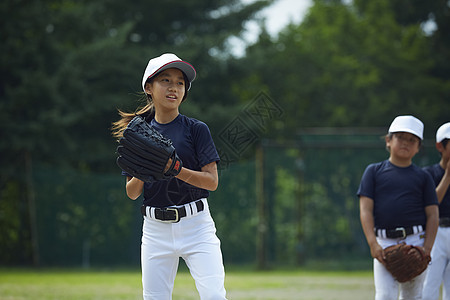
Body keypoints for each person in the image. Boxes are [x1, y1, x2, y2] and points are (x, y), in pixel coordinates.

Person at [112, 53, 227, 300]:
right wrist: (145, 167)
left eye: (180, 82)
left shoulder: (196, 129)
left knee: (214, 296)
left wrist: (176, 169)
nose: (173, 87)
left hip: (196, 226)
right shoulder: (137, 133)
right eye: (165, 80)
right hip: (155, 230)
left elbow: (212, 182)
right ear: (149, 87)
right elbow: (132, 193)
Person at [357, 115, 439, 300]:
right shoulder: (374, 171)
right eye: (400, 137)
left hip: (415, 242)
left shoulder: (423, 177)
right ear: (388, 140)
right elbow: (365, 209)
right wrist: (373, 243)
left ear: (418, 147)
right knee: (385, 295)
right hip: (383, 243)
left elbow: (433, 214)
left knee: (413, 297)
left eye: (412, 140)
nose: (406, 143)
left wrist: (427, 248)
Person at [422, 122, 450, 300]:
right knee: (429, 285)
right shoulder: (428, 174)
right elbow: (431, 204)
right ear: (440, 145)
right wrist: (447, 177)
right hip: (436, 232)